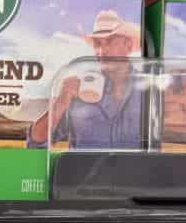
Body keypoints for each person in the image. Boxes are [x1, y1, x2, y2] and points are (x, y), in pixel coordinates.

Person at [28, 10, 142, 149]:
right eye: (97, 44)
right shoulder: (79, 87)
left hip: (131, 171)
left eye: (110, 42)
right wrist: (61, 102)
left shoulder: (147, 90)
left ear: (128, 45)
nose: (102, 51)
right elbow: (35, 143)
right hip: (86, 171)